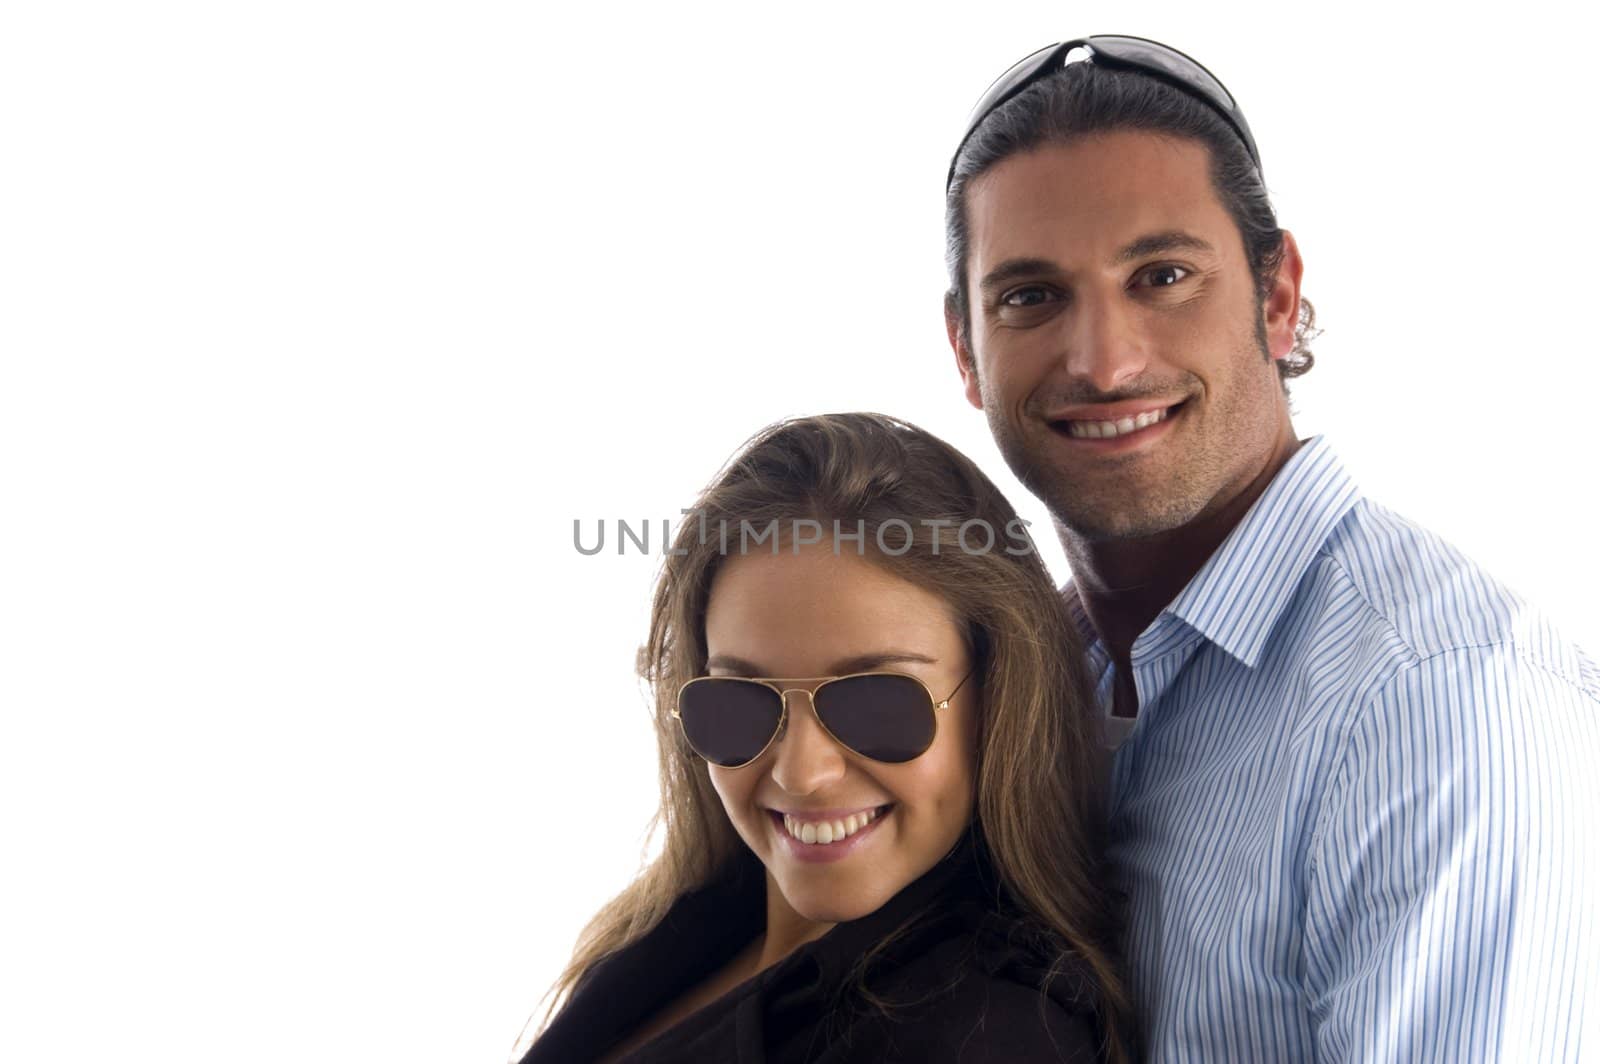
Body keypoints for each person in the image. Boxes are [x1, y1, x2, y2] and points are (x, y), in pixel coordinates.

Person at [943, 35, 1600, 1061]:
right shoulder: (1003, 685)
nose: (1103, 361)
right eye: (1030, 296)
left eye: (1160, 275)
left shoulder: (1439, 701)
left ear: (1278, 293)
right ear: (963, 349)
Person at [512, 412, 1135, 1063]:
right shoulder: (683, 926)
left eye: (876, 702)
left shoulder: (986, 1035)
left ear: (999, 696)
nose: (801, 772)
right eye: (740, 702)